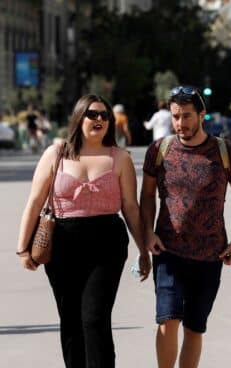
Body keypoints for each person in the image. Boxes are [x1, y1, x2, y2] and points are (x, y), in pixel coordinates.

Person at [16, 94, 151, 368]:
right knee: (71, 319)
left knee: (95, 317)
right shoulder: (56, 153)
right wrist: (23, 248)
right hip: (62, 243)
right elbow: (34, 201)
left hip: (107, 243)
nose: (99, 119)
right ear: (79, 118)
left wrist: (143, 249)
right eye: (92, 114)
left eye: (104, 115)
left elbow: (131, 207)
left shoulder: (120, 157)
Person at [140, 86, 231, 368]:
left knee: (194, 327)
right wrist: (148, 233)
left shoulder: (225, 152)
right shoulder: (160, 150)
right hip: (168, 250)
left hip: (210, 254)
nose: (180, 123)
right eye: (176, 116)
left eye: (187, 116)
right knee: (167, 319)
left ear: (202, 114)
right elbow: (147, 195)